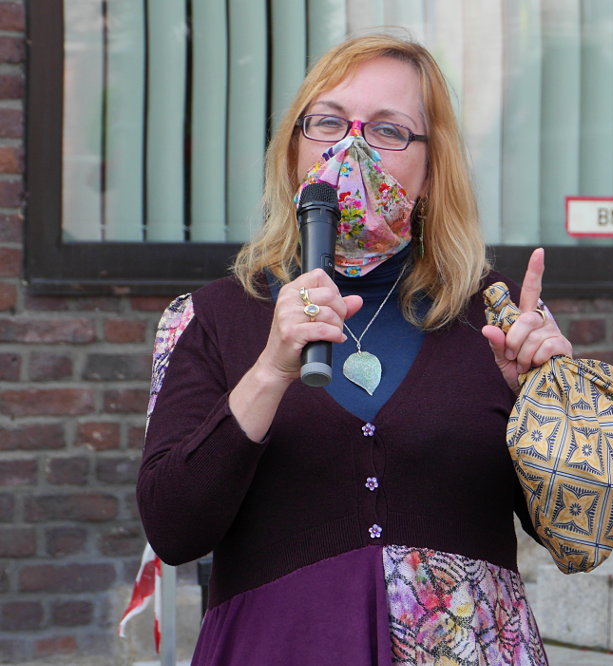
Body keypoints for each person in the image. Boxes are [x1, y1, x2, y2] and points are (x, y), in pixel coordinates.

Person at [137, 33, 573, 665]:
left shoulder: (500, 315)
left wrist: (550, 403)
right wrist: (269, 371)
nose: (350, 149)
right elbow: (174, 530)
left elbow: (571, 535)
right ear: (293, 152)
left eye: (389, 130)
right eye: (329, 122)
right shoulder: (208, 318)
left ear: (431, 170)